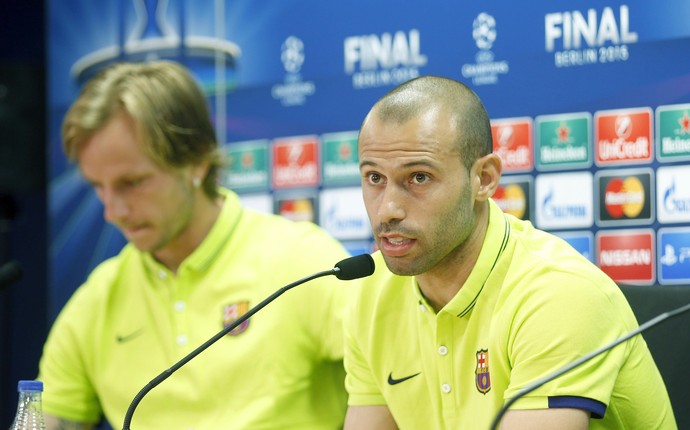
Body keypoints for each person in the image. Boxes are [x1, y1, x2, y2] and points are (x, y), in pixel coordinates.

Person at [342, 76, 677, 430]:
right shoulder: (369, 292)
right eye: (374, 178)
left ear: (484, 179)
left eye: (419, 178)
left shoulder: (557, 293)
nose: (387, 210)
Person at [38, 60, 357, 429]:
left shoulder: (302, 263)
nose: (113, 211)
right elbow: (47, 420)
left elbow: (399, 383)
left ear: (197, 161)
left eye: (133, 182)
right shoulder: (96, 301)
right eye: (98, 186)